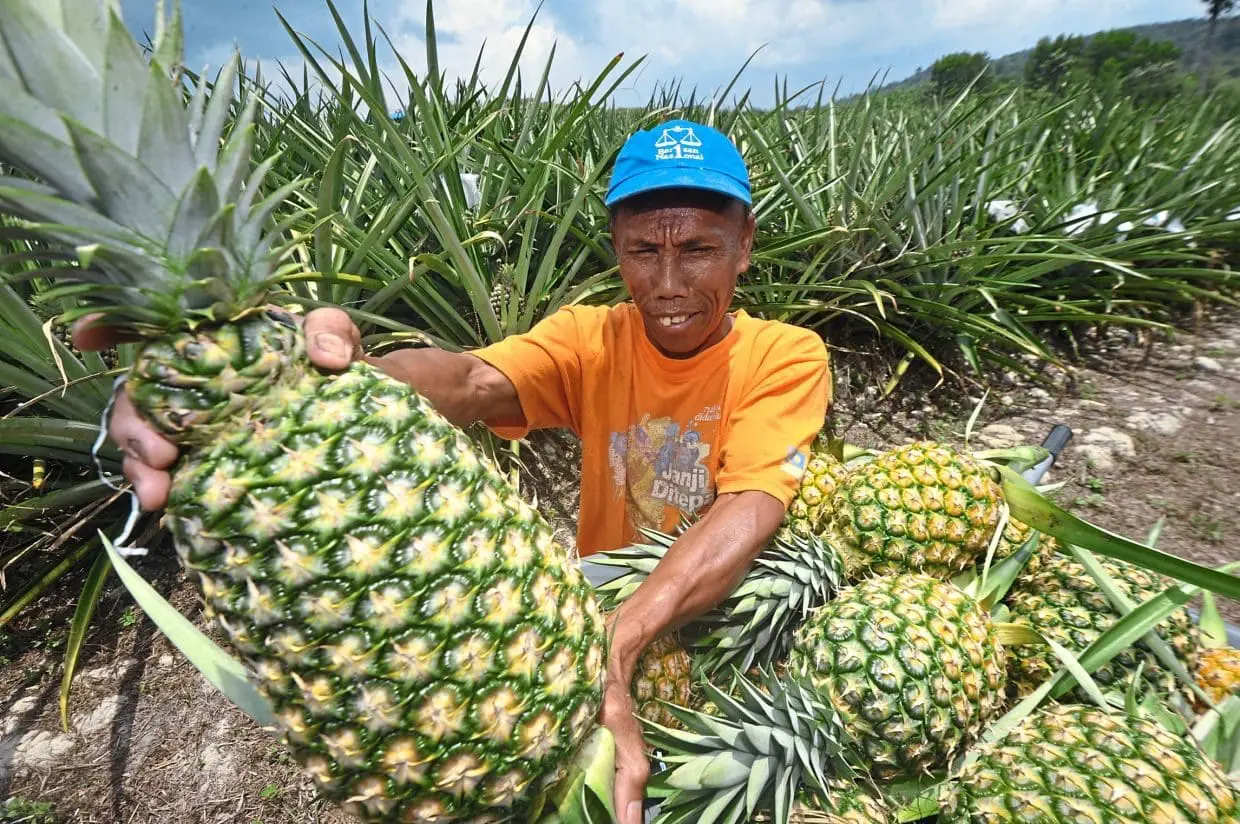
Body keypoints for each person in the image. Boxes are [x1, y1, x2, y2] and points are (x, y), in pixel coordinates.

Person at [75, 118, 832, 824]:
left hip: (726, 632)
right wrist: (321, 381)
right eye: (643, 250)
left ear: (744, 244)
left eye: (697, 248)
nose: (668, 282)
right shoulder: (590, 338)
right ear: (616, 248)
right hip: (591, 625)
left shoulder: (785, 355)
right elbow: (470, 383)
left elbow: (750, 505)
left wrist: (616, 643)